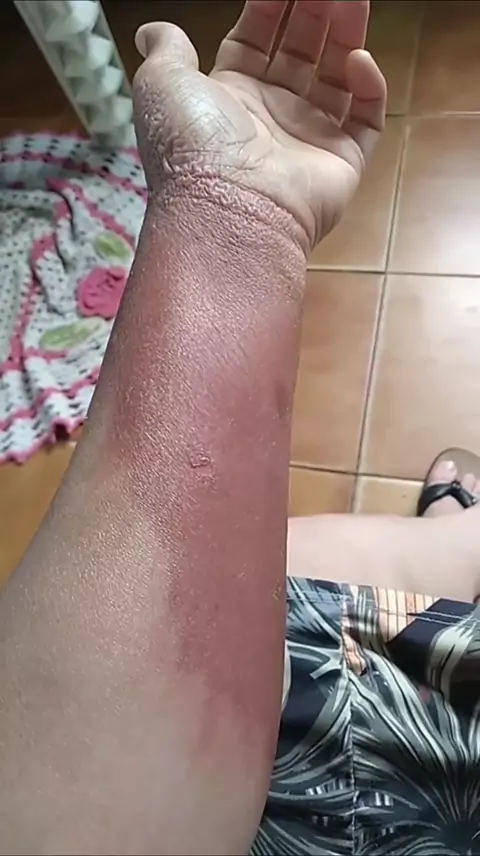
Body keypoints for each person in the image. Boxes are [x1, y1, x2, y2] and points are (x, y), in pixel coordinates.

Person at [1, 1, 479, 853]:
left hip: (291, 713)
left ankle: (452, 537)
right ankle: (459, 538)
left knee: (290, 574)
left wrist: (236, 213)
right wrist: (236, 213)